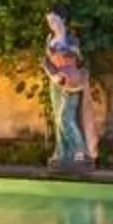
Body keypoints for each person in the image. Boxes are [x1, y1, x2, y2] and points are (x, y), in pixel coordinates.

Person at [42, 10, 93, 169]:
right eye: (49, 21)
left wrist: (63, 53)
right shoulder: (50, 40)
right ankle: (62, 152)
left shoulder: (72, 39)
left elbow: (79, 59)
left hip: (72, 81)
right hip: (56, 82)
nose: (52, 25)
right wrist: (53, 74)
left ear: (62, 19)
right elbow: (46, 61)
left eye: (54, 20)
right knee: (58, 118)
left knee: (66, 116)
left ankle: (79, 150)